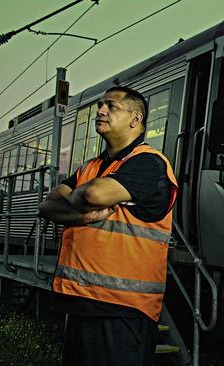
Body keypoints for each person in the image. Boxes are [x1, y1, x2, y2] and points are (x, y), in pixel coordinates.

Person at [38, 86, 178, 366]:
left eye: (111, 107)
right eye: (101, 105)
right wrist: (83, 216)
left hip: (122, 309)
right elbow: (48, 205)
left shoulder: (148, 163)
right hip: (84, 301)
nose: (100, 111)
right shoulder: (92, 166)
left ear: (135, 119)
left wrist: (76, 197)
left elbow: (93, 195)